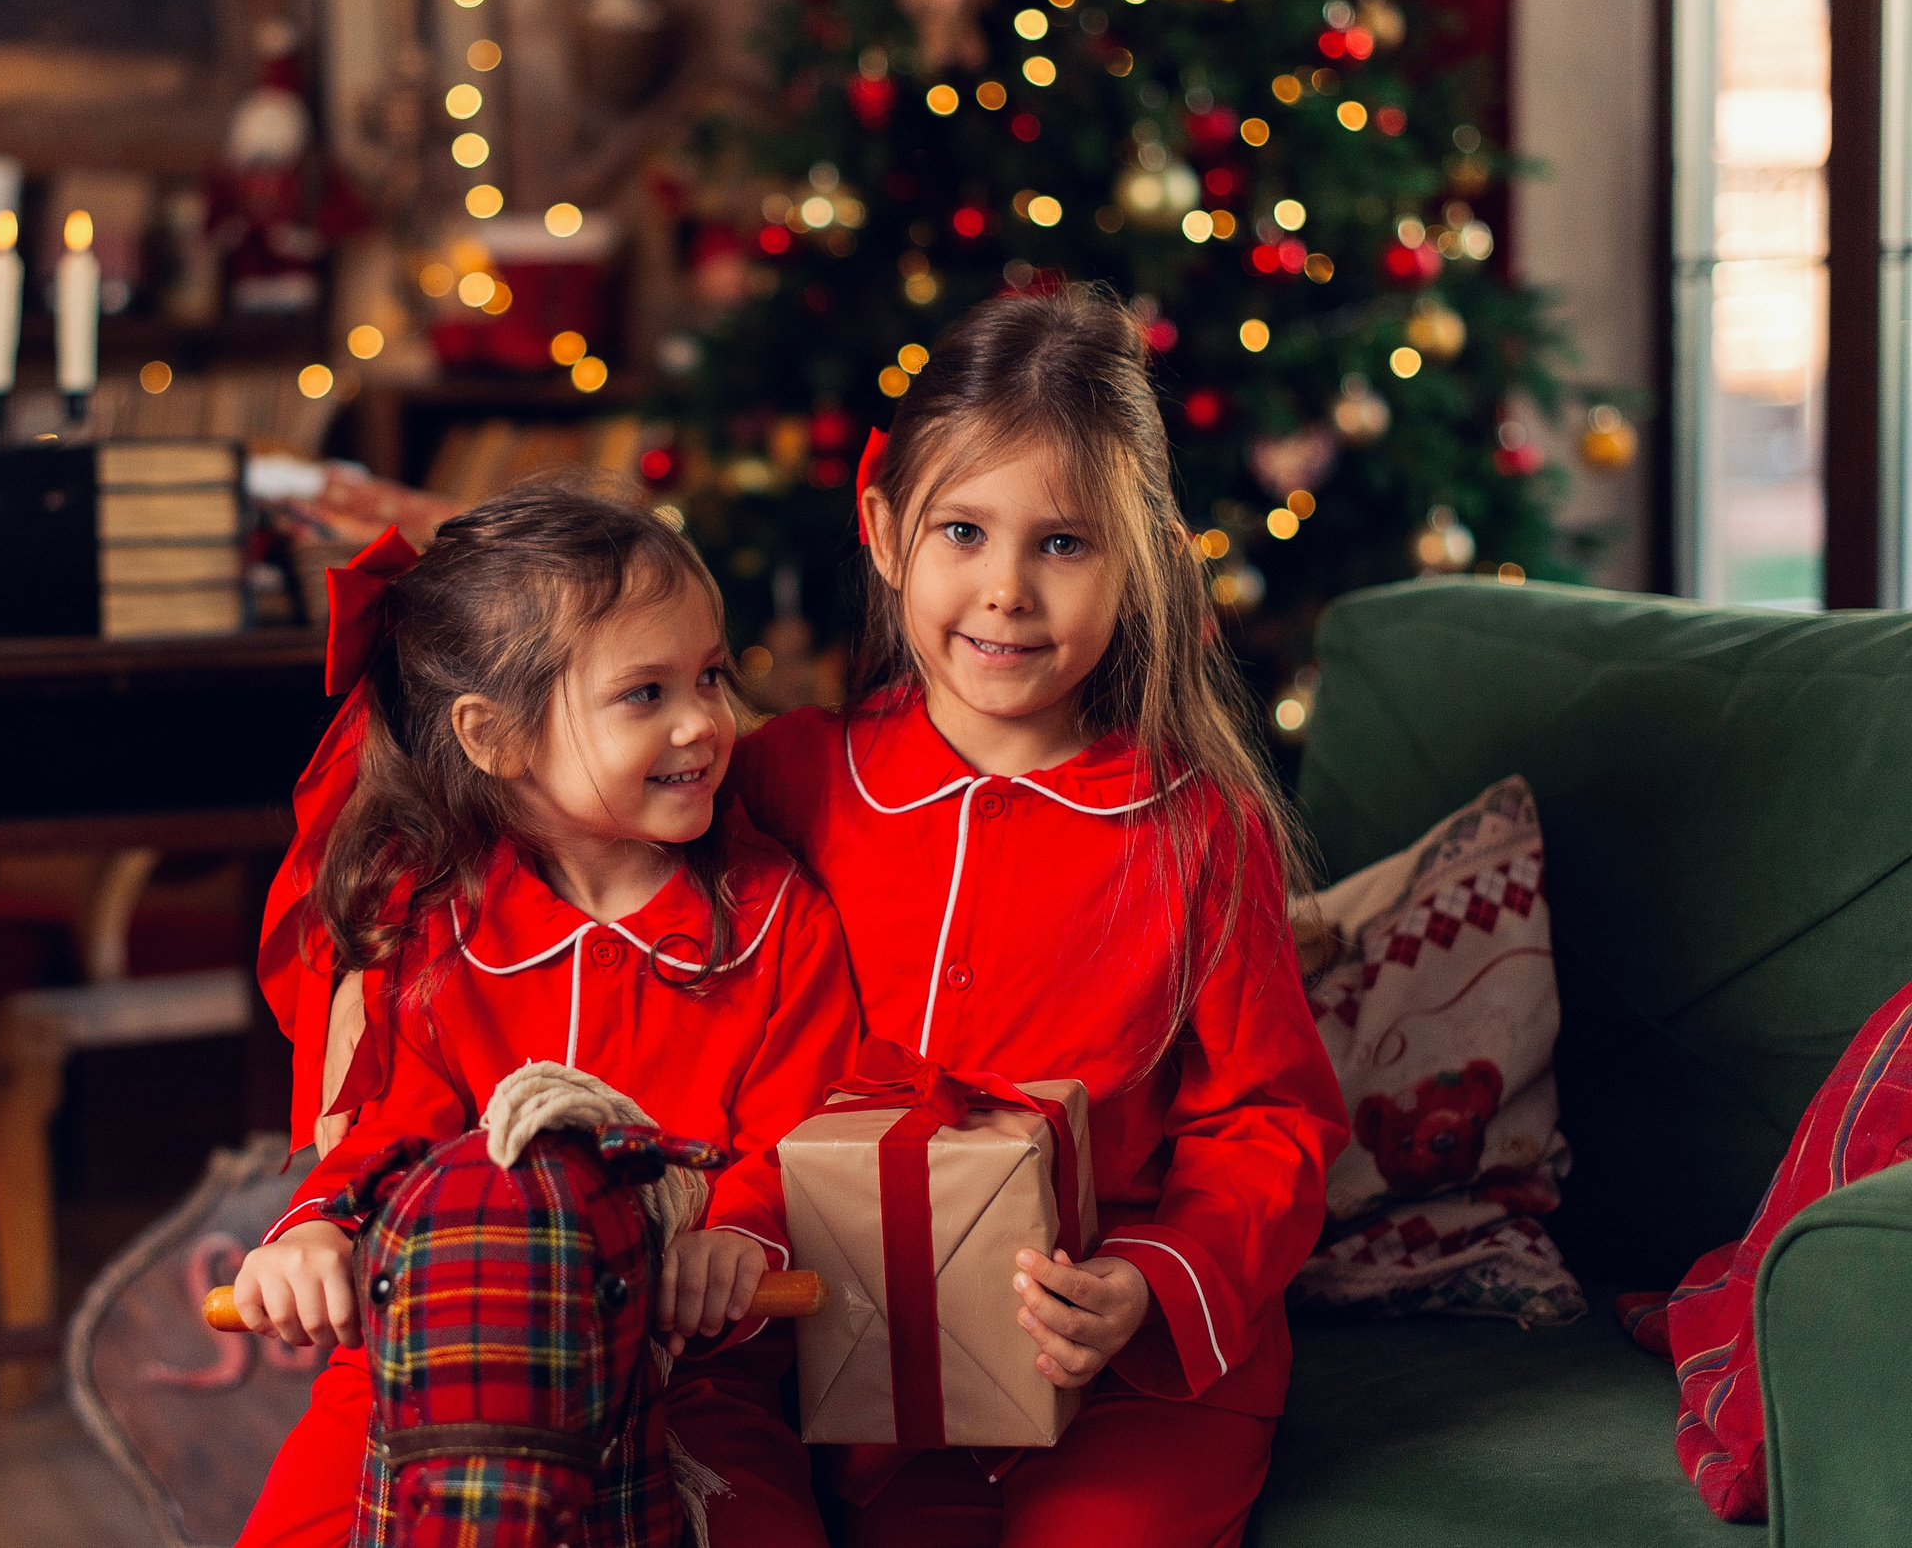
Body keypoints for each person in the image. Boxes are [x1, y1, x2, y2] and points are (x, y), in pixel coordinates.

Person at [732, 287, 1347, 1548]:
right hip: (876, 1371)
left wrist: (1142, 1283)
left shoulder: (1197, 822)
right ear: (884, 528)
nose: (1004, 590)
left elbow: (1270, 1119)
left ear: (1140, 560)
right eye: (963, 529)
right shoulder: (791, 782)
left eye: (1062, 543)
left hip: (1139, 1379)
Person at [236, 479, 862, 1548]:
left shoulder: (774, 919)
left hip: (688, 1364)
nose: (702, 722)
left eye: (709, 676)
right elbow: (390, 1131)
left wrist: (739, 1236)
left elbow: (805, 1131)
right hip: (442, 1357)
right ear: (494, 735)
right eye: (644, 692)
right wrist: (312, 1229)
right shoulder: (436, 929)